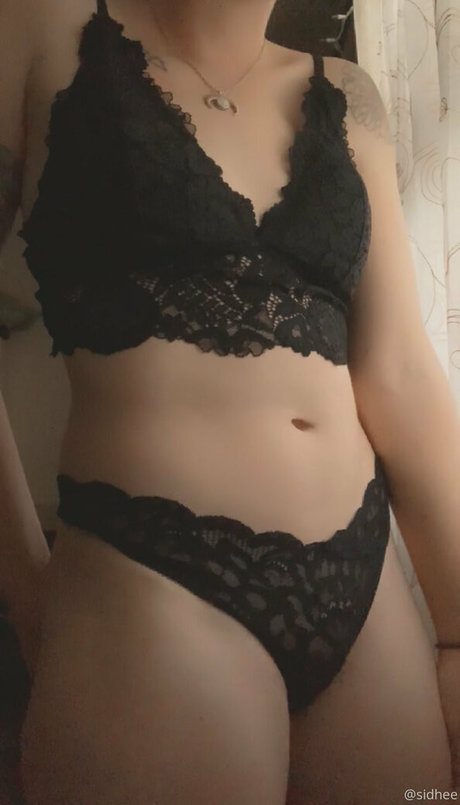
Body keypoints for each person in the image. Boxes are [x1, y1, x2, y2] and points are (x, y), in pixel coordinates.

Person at [1, 0, 459, 802]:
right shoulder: (38, 27)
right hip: (152, 575)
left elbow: (399, 372)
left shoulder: (349, 96)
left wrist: (457, 634)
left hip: (366, 588)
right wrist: (24, 585)